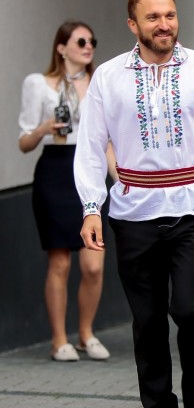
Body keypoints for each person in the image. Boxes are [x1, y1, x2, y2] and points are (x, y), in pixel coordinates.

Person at [74, 0, 194, 408]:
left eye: (169, 15)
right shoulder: (109, 76)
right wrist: (91, 207)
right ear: (133, 24)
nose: (164, 24)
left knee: (190, 310)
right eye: (153, 17)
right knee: (148, 320)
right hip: (132, 212)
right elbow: (91, 145)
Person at [18, 20, 111, 362]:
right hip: (56, 169)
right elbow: (24, 142)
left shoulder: (99, 83)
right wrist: (43, 128)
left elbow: (110, 141)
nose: (89, 47)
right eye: (81, 41)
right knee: (59, 262)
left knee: (94, 266)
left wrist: (122, 181)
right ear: (61, 47)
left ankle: (86, 333)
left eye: (92, 40)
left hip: (91, 170)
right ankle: (60, 339)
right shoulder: (39, 84)